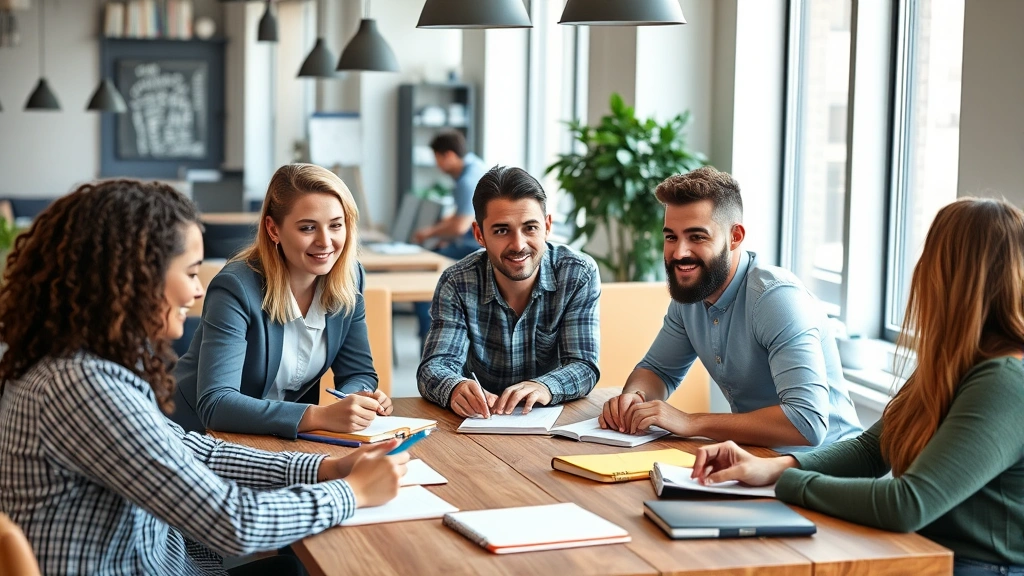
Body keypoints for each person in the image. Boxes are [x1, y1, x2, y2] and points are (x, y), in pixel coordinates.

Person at [0, 180, 408, 576]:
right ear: (137, 278)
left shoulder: (85, 365)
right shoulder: (83, 388)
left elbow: (193, 450)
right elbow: (233, 522)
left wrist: (324, 470)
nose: (197, 291)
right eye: (191, 272)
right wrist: (352, 492)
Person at [689, 198, 1024, 576]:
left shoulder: (1005, 382)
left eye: (932, 257)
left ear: (955, 276)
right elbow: (870, 450)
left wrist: (788, 482)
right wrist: (772, 467)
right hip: (921, 553)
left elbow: (906, 504)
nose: (921, 272)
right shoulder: (955, 360)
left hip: (973, 567)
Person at [600, 166, 862, 451]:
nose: (679, 253)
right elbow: (658, 370)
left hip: (827, 469)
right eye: (671, 237)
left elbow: (806, 422)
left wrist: (691, 421)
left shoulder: (776, 300)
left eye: (697, 237)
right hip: (756, 459)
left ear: (735, 236)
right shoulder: (691, 296)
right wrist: (636, 399)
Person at [172, 163, 393, 438]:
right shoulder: (236, 287)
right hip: (196, 437)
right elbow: (216, 404)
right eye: (308, 228)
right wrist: (319, 415)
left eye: (336, 225)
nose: (326, 242)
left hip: (278, 437)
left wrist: (355, 398)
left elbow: (358, 372)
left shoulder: (350, 277)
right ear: (273, 229)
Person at [418, 166, 601, 417]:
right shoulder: (457, 282)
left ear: (547, 227)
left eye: (530, 228)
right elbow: (434, 367)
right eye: (502, 230)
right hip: (480, 424)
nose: (518, 244)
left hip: (554, 424)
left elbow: (584, 365)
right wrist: (454, 387)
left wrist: (545, 386)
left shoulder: (578, 274)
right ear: (479, 235)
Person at [411, 131, 488, 342]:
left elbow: (459, 226)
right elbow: (461, 215)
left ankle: (429, 337)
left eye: (437, 159)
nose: (437, 166)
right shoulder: (474, 168)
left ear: (449, 156)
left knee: (421, 277)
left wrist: (430, 232)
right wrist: (438, 232)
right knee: (433, 251)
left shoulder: (467, 180)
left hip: (477, 248)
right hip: (476, 241)